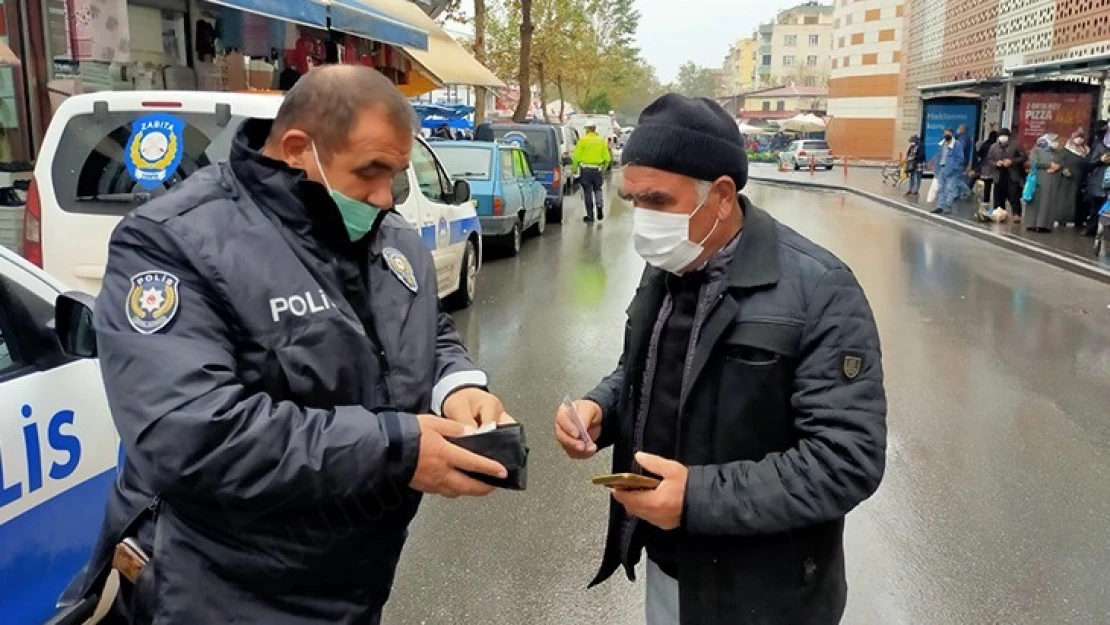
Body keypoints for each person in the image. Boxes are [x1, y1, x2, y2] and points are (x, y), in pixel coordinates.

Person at [59, 66, 513, 624]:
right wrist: (398, 450)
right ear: (298, 148)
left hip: (350, 585)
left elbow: (426, 328)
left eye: (395, 176)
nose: (384, 198)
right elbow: (188, 434)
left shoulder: (387, 235)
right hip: (222, 591)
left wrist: (456, 384)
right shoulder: (172, 241)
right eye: (370, 172)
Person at [555, 94, 887, 625]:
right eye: (633, 200)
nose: (642, 220)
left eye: (659, 201)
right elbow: (645, 372)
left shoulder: (822, 289)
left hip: (765, 596)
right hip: (670, 571)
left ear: (723, 196)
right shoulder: (667, 267)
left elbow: (846, 459)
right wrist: (602, 409)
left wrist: (698, 499)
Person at [573, 123, 612, 222]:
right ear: (595, 129)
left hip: (585, 169)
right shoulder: (601, 141)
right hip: (597, 169)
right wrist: (603, 169)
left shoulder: (583, 140)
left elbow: (576, 157)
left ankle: (590, 215)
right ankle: (599, 206)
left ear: (587, 130)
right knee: (598, 189)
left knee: (587, 192)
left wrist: (574, 169)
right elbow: (607, 158)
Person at [1026, 133, 1064, 232]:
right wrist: (1048, 165)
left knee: (1049, 202)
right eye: (1054, 140)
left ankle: (1045, 225)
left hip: (1052, 180)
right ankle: (1033, 223)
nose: (1056, 143)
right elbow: (1034, 162)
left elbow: (1062, 162)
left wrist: (1058, 167)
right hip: (1039, 179)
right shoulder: (1037, 149)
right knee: (1038, 202)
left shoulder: (1057, 152)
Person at [985, 127, 1026, 221]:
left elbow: (1023, 157)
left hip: (1012, 174)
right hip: (998, 175)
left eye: (1005, 136)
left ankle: (1016, 214)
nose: (1003, 138)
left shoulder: (1016, 145)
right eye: (1001, 136)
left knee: (1014, 195)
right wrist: (996, 163)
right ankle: (999, 214)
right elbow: (989, 160)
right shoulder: (993, 147)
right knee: (998, 196)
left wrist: (1012, 162)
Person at [1083, 121, 1110, 236]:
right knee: (1095, 207)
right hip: (1099, 181)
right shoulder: (1098, 145)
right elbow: (1090, 163)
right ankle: (1092, 229)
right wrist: (1101, 160)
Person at [1059, 130, 1091, 227]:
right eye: (1078, 137)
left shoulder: (1086, 150)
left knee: (1080, 200)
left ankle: (1079, 219)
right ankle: (1064, 219)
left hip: (1082, 179)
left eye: (1081, 137)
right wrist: (1064, 169)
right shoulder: (1067, 150)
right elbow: (1060, 162)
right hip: (1068, 179)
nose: (1079, 139)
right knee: (1068, 199)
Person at [932, 128, 966, 215]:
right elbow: (938, 156)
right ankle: (939, 207)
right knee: (940, 188)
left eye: (948, 133)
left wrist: (953, 168)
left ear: (952, 134)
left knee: (950, 189)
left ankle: (947, 206)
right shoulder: (942, 144)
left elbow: (960, 158)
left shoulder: (957, 145)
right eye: (945, 133)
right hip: (941, 168)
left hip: (952, 170)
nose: (946, 135)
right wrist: (936, 169)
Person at [975, 130, 999, 204]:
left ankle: (986, 200)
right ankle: (994, 200)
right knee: (995, 185)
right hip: (994, 167)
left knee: (987, 185)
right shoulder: (995, 146)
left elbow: (979, 154)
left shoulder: (984, 144)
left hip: (985, 166)